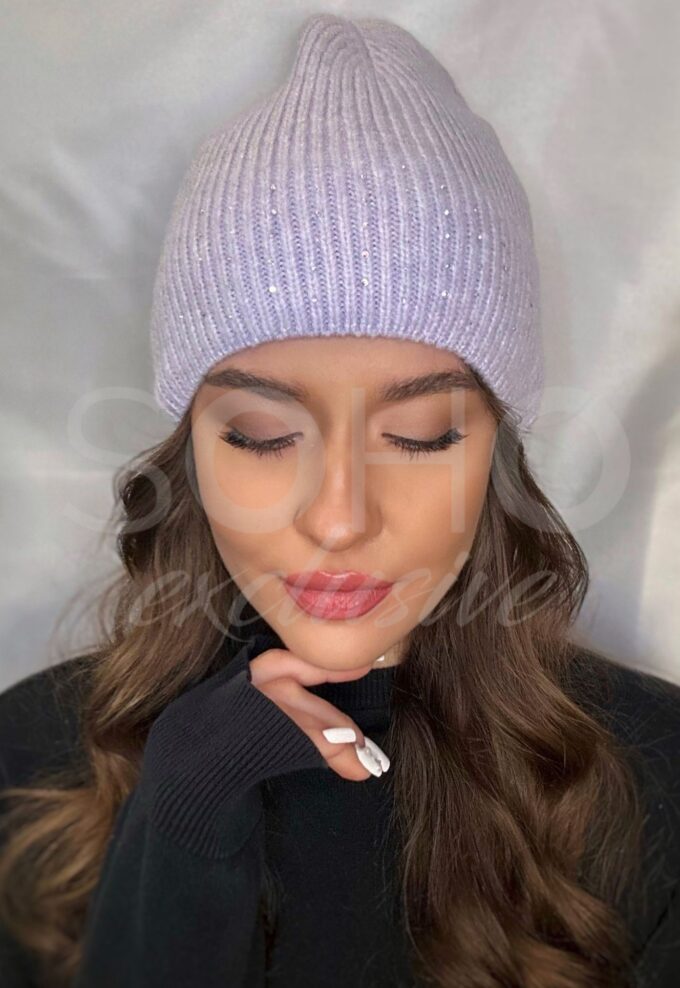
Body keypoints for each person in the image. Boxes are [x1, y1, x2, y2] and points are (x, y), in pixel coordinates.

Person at [1, 11, 679, 988]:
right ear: (190, 450)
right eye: (260, 434)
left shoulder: (655, 786)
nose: (337, 518)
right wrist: (180, 817)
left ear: (497, 450)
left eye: (421, 435)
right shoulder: (30, 759)